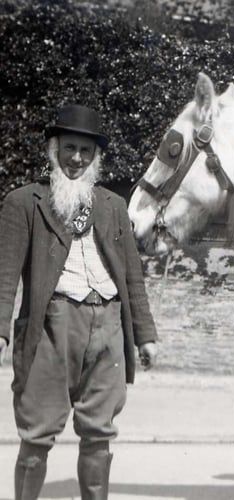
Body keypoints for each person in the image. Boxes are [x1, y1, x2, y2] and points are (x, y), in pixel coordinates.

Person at [0, 104, 158, 500]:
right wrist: (0, 330)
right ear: (53, 150)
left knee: (99, 434)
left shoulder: (113, 206)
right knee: (37, 435)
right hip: (53, 325)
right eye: (69, 149)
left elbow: (133, 277)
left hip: (108, 327)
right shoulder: (24, 202)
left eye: (85, 152)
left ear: (96, 158)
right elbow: (4, 273)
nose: (76, 159)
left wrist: (145, 335)